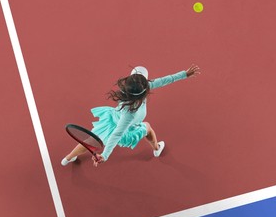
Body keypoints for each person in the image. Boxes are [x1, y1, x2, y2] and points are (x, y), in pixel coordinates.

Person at [61, 64, 201, 167]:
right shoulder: (132, 110)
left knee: (90, 141)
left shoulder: (128, 90)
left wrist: (184, 74)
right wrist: (104, 155)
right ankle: (156, 149)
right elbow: (116, 134)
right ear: (144, 90)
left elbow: (164, 80)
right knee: (147, 128)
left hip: (112, 119)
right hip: (125, 128)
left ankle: (68, 158)